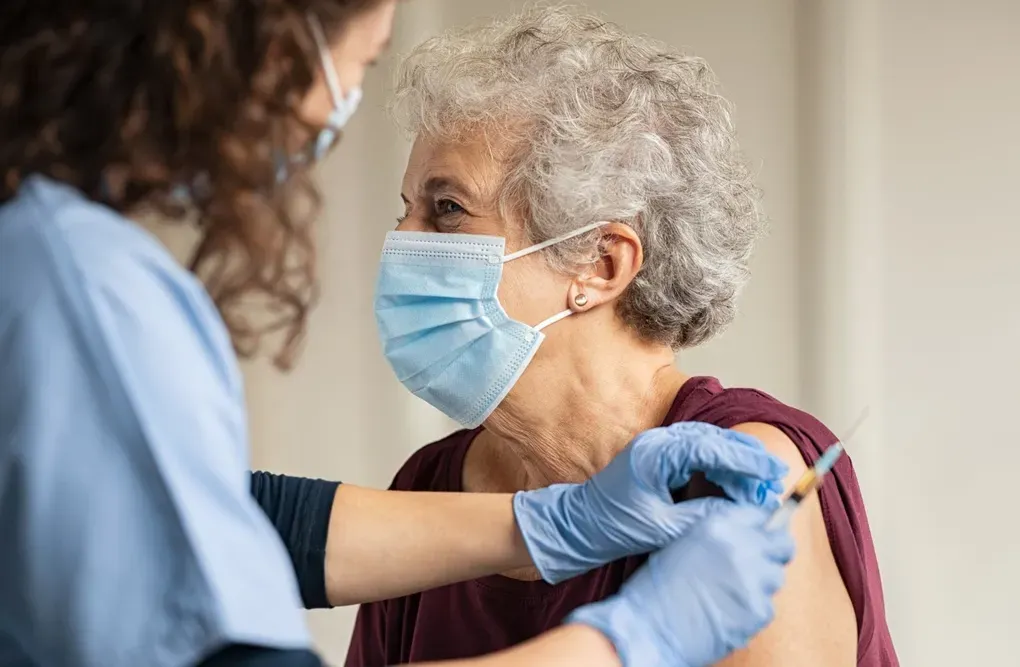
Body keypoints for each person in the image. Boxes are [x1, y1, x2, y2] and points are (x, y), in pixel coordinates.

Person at [0, 2, 796, 666]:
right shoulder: (78, 286)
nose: (337, 104)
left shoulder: (744, 465)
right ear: (273, 46)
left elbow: (215, 516)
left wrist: (548, 524)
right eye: (362, 60)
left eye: (446, 210)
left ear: (602, 260)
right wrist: (627, 644)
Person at [345, 6, 900, 667]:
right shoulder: (427, 488)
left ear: (601, 264)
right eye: (405, 209)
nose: (402, 243)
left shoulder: (738, 478)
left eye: (446, 210)